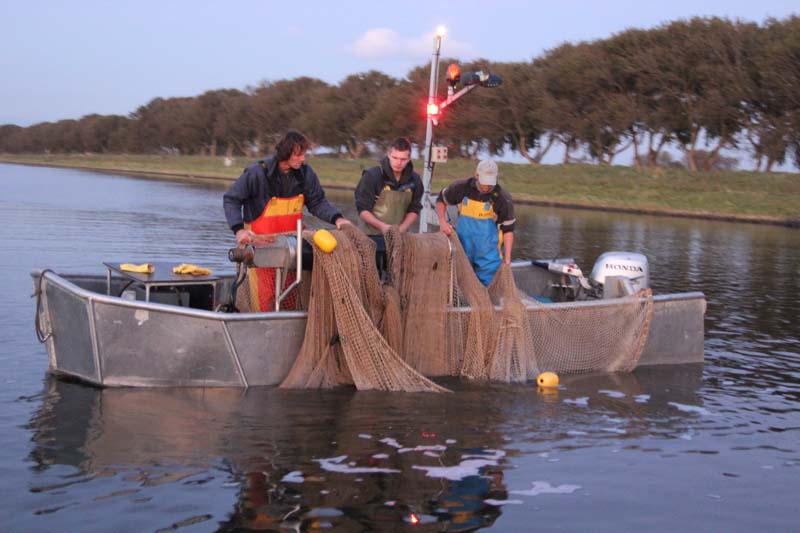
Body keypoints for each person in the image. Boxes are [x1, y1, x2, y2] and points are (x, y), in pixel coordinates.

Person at [223, 130, 351, 310]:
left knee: (292, 295)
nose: (303, 159)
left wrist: (337, 218)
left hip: (292, 250)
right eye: (298, 155)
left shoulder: (306, 174)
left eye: (304, 154)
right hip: (261, 249)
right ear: (285, 153)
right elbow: (231, 199)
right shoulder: (257, 173)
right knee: (266, 298)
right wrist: (239, 229)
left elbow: (317, 202)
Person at [435, 159, 515, 286]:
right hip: (462, 248)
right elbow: (441, 201)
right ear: (476, 175)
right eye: (484, 182)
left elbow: (508, 230)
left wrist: (508, 259)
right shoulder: (461, 187)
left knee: (489, 285)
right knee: (459, 281)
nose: (487, 186)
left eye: (490, 183)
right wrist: (442, 222)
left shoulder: (503, 198)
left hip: (488, 255)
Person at [354, 137, 423, 235]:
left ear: (409, 159)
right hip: (370, 236)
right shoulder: (372, 176)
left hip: (400, 235)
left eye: (403, 159)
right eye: (395, 158)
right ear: (389, 155)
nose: (398, 163)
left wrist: (401, 229)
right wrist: (382, 226)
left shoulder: (415, 180)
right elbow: (362, 209)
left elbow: (414, 208)